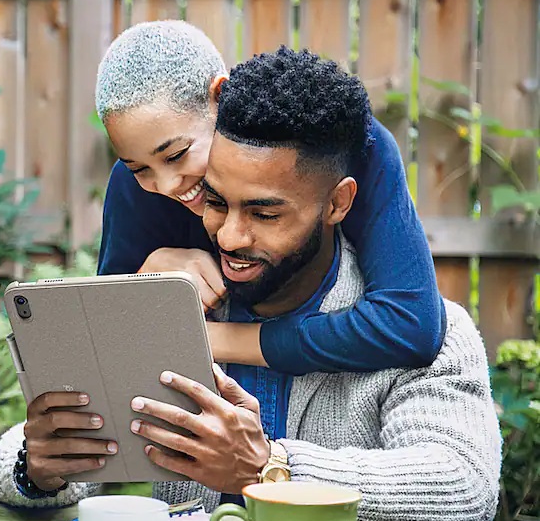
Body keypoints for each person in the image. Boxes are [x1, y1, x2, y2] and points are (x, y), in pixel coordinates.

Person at [0, 48, 502, 521]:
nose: (229, 236)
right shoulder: (182, 309)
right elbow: (64, 441)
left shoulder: (433, 330)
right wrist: (38, 465)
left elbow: (464, 490)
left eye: (264, 212)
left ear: (338, 204)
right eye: (214, 201)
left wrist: (270, 468)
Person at [93, 20, 445, 376]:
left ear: (220, 96)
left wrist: (218, 340)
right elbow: (102, 340)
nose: (167, 185)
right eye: (139, 168)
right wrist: (139, 286)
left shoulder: (335, 147)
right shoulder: (133, 186)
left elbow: (410, 323)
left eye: (176, 155)